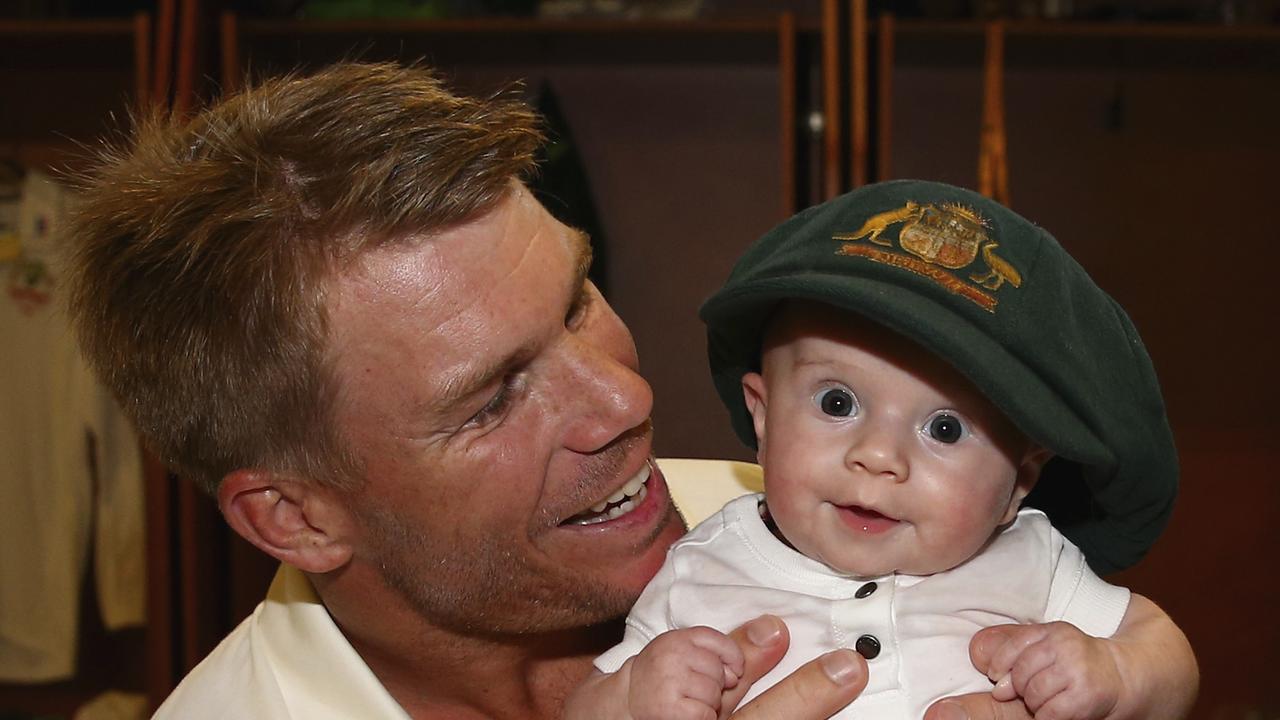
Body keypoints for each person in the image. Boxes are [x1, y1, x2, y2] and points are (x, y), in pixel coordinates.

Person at [62, 63, 1194, 719]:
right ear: (293, 514)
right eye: (493, 396)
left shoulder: (777, 510)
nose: (620, 403)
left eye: (575, 296)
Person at [567, 181, 1198, 720]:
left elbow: (1165, 650)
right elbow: (583, 705)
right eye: (837, 403)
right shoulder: (701, 569)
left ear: (1020, 482)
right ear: (762, 416)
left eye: (945, 429)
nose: (878, 456)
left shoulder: (1033, 560)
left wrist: (1114, 672)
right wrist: (631, 695)